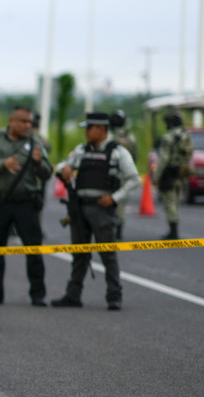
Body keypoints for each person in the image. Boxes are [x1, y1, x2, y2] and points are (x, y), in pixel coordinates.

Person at [51, 112, 140, 311]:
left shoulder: (117, 152)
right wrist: (64, 168)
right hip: (79, 208)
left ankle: (114, 296)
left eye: (89, 128)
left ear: (101, 129)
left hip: (102, 209)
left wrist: (115, 197)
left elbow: (134, 179)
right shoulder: (82, 150)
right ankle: (73, 295)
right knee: (79, 254)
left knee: (107, 254)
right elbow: (63, 165)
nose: (86, 132)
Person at [0, 106, 53, 307]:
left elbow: (47, 173)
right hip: (0, 202)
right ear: (12, 121)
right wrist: (2, 164)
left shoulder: (34, 142)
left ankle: (38, 294)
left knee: (34, 249)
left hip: (26, 204)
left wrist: (39, 163)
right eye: (23, 121)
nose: (27, 126)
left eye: (30, 122)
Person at [150, 111, 193, 240]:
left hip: (169, 172)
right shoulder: (186, 135)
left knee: (170, 201)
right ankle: (174, 228)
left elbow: (163, 158)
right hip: (182, 171)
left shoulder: (169, 137)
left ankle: (173, 231)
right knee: (177, 199)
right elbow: (189, 154)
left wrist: (156, 177)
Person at [109, 110, 139, 239]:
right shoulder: (130, 137)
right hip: (125, 174)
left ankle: (109, 228)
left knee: (109, 200)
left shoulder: (108, 136)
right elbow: (135, 156)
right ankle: (119, 229)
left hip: (110, 173)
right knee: (121, 202)